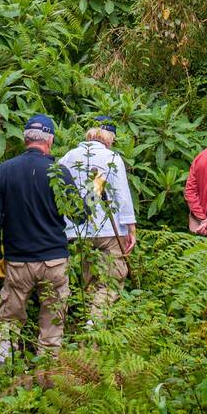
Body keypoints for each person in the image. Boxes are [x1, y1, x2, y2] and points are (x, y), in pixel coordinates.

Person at [0, 114, 82, 363]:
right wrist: (95, 191)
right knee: (52, 324)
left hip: (18, 262)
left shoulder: (4, 171)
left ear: (25, 139)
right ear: (49, 141)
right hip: (54, 261)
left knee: (8, 321)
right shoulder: (58, 172)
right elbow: (81, 215)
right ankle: (47, 375)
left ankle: (2, 370)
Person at [59, 119, 136, 323]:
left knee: (89, 279)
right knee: (112, 280)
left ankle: (87, 321)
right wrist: (131, 229)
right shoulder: (111, 157)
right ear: (108, 139)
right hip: (109, 230)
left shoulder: (68, 157)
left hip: (78, 230)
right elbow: (122, 194)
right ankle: (94, 326)